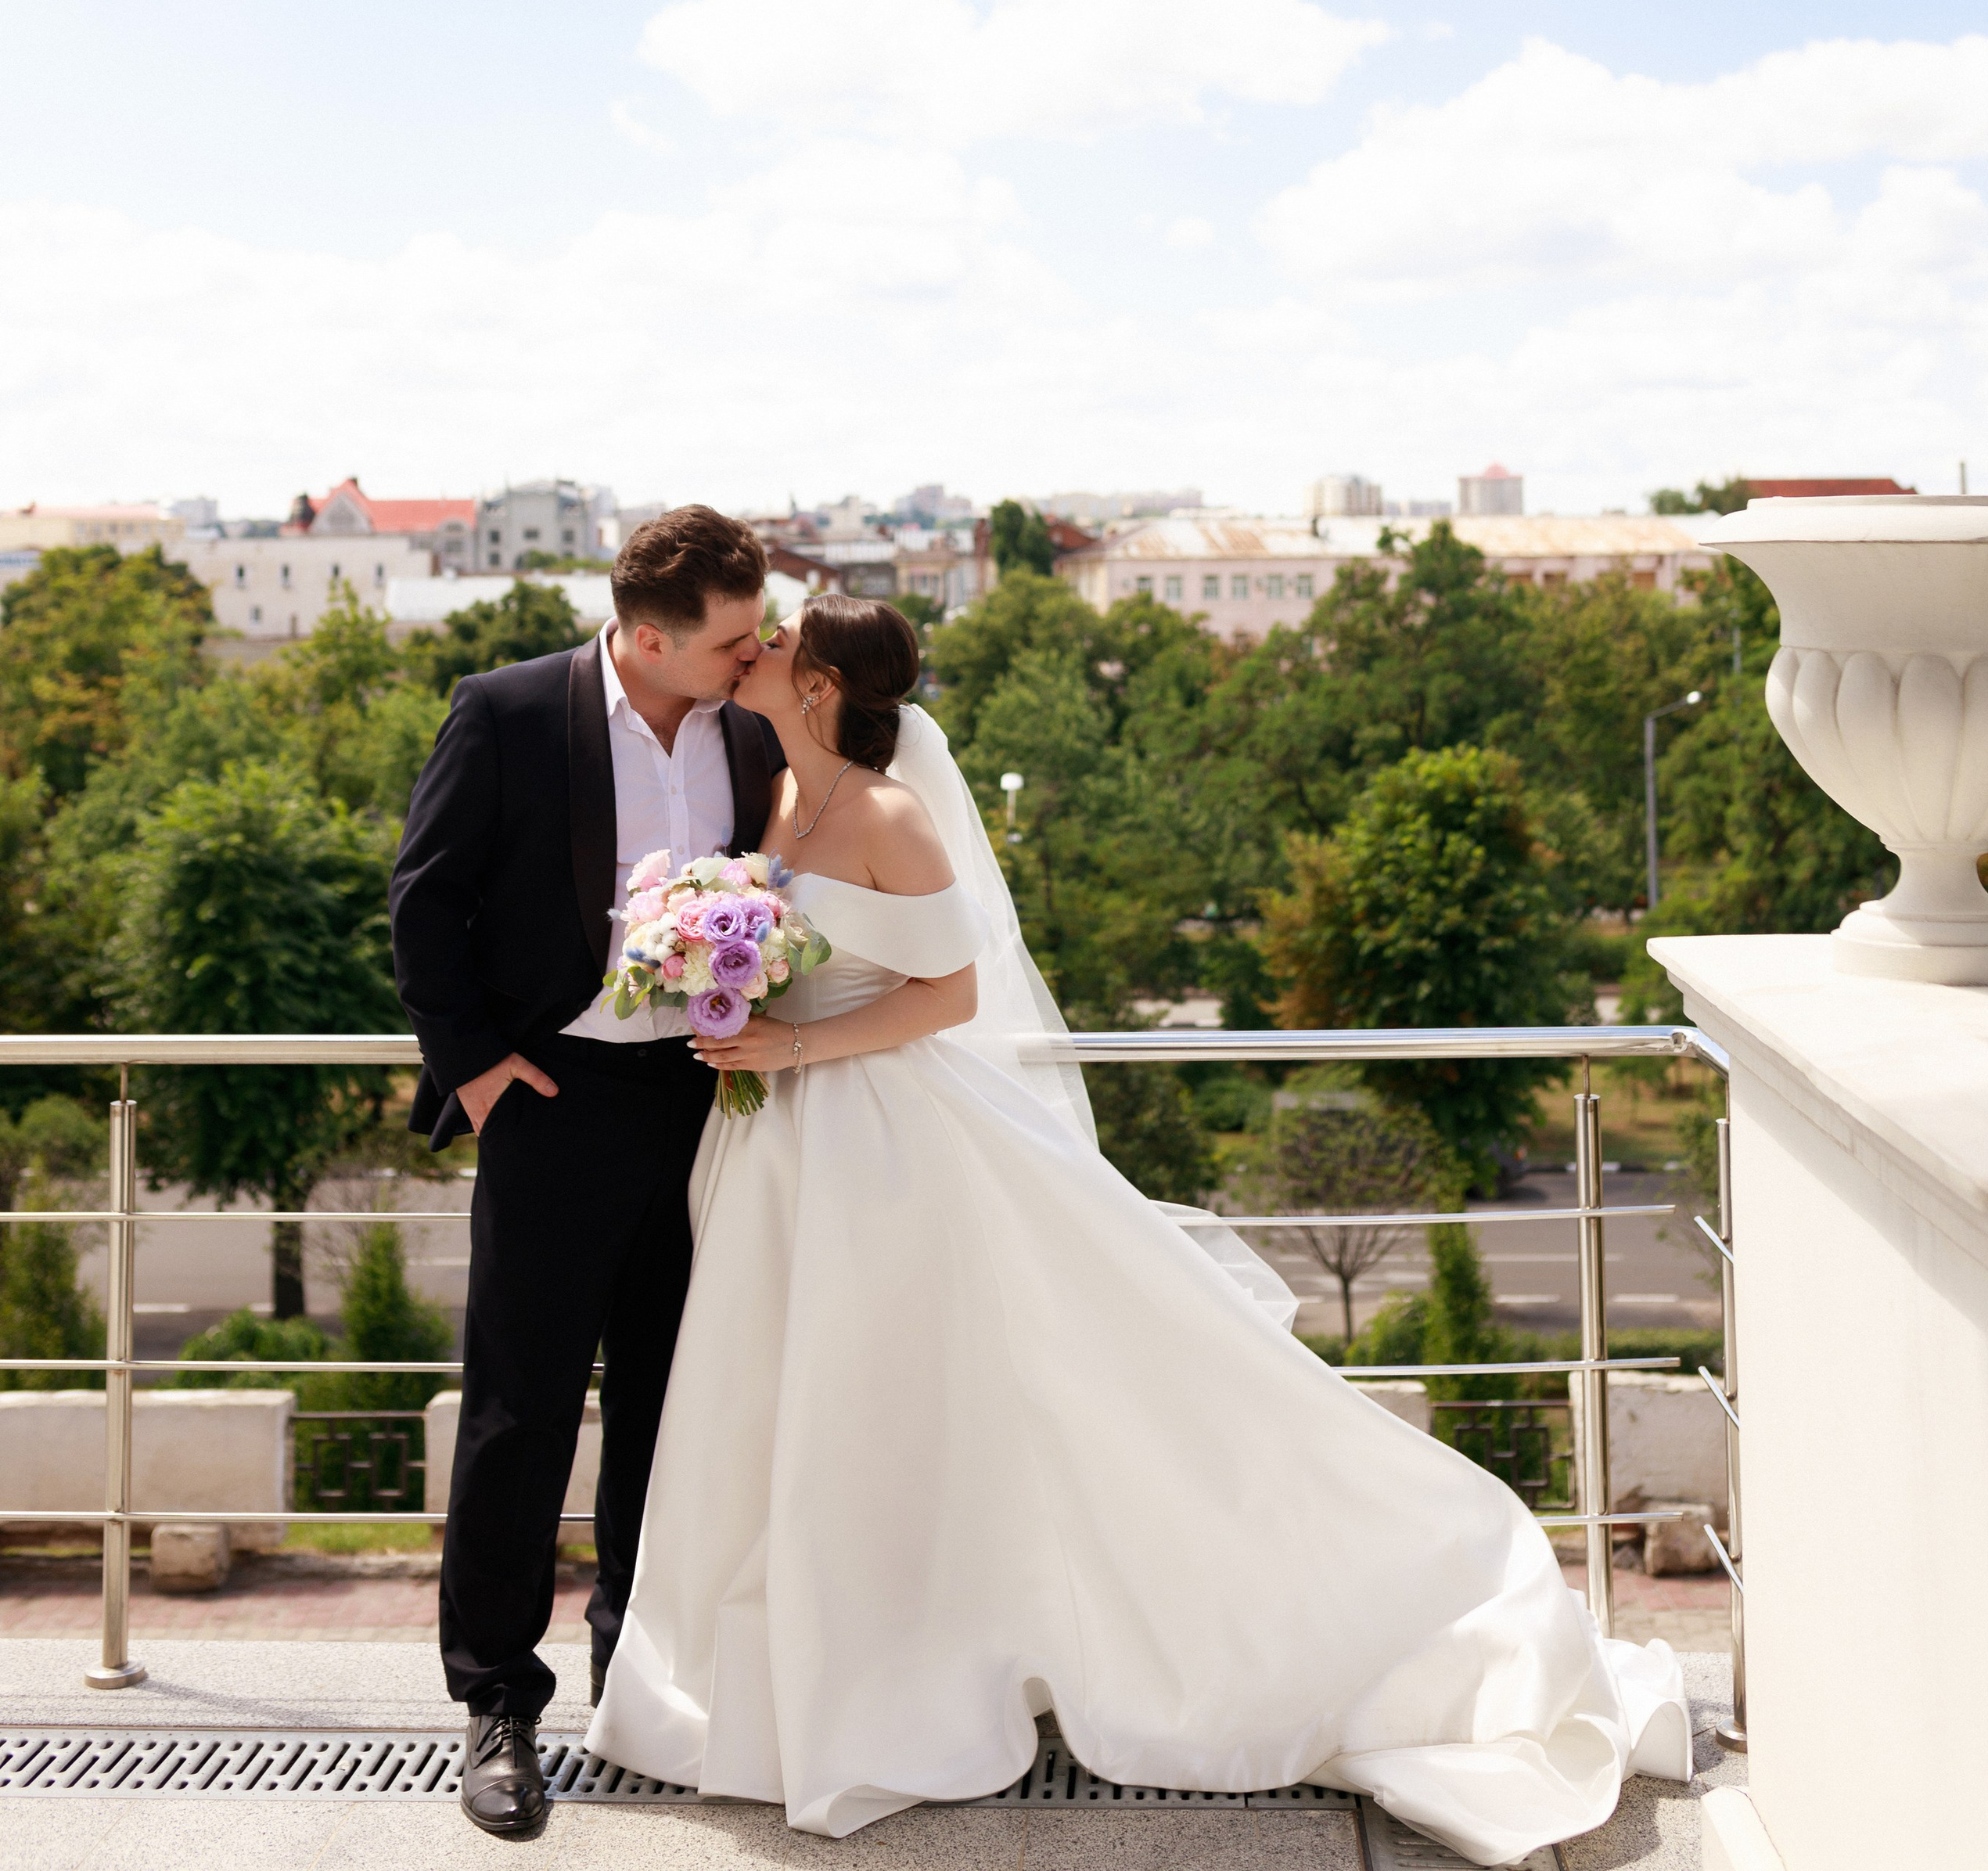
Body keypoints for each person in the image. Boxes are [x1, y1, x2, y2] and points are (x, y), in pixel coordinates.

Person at [586, 593, 1690, 1867]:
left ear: (825, 684)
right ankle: (790, 1682)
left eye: (781, 645)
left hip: (882, 1147)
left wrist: (794, 1040)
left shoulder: (889, 814)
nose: (758, 653)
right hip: (779, 1144)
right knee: (789, 1409)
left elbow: (949, 992)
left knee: (886, 1403)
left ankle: (904, 1684)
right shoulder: (779, 795)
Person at [389, 504, 782, 1840]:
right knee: (521, 1414)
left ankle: (638, 1682)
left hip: (707, 1107)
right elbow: (423, 901)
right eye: (737, 635)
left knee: (677, 1407)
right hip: (551, 1103)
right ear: (651, 635)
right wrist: (484, 1073)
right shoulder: (503, 711)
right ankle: (498, 1704)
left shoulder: (752, 726)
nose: (759, 651)